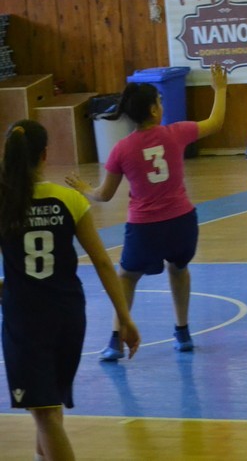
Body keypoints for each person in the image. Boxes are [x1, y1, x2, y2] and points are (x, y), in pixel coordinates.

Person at [65, 64, 227, 360]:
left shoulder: (121, 149)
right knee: (179, 269)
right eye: (160, 102)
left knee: (126, 278)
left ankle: (116, 341)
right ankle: (182, 332)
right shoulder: (176, 133)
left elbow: (103, 195)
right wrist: (221, 89)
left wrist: (83, 188)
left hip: (145, 228)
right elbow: (215, 122)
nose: (162, 106)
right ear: (153, 110)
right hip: (182, 222)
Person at [1, 120, 140, 461]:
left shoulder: (4, 202)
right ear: (44, 155)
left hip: (25, 319)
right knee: (49, 410)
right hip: (68, 316)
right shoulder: (69, 199)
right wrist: (124, 317)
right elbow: (103, 263)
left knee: (45, 414)